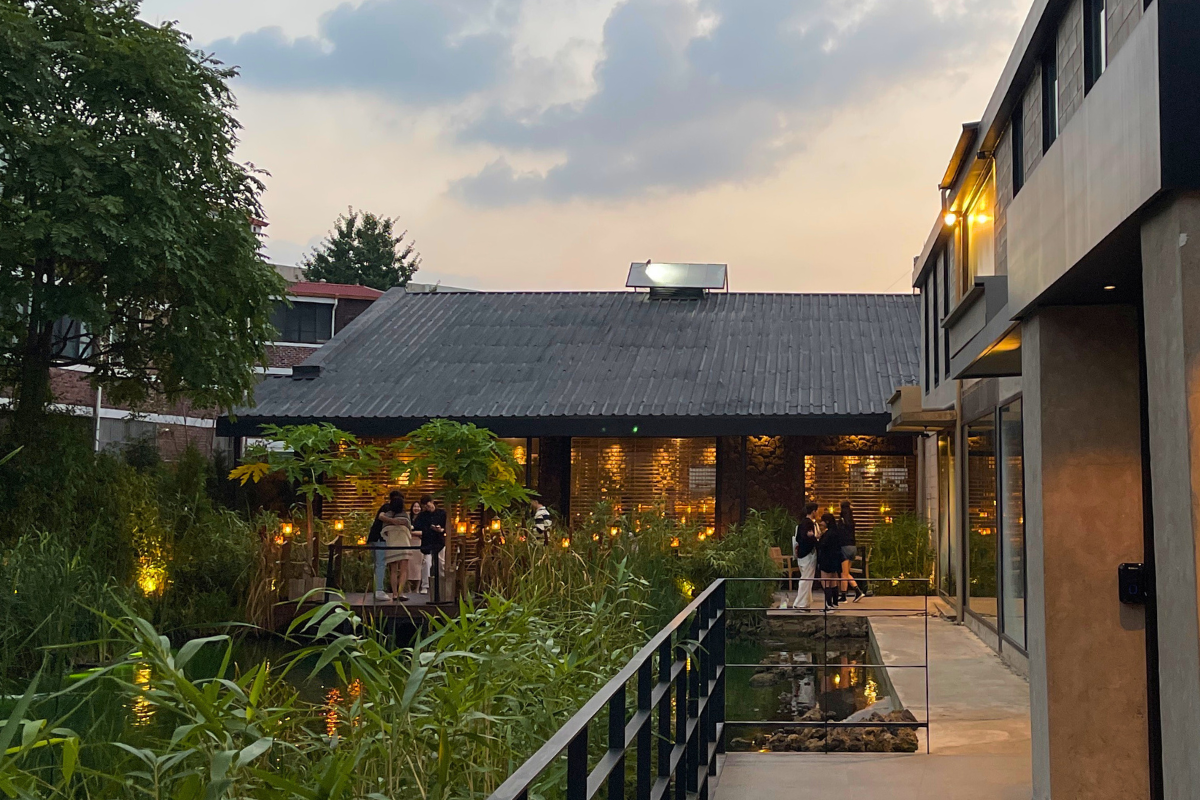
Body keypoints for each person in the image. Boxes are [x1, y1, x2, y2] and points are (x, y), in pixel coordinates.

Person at [378, 491, 412, 602]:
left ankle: (394, 594)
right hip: (404, 544)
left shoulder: (387, 516)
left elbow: (384, 532)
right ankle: (401, 593)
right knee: (403, 570)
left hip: (391, 545)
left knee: (393, 570)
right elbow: (409, 529)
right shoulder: (405, 516)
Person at [414, 495, 446, 598]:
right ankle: (425, 586)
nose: (427, 508)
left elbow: (446, 527)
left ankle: (441, 584)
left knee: (441, 563)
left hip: (439, 541)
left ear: (432, 502)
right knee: (426, 563)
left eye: (428, 506)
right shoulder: (422, 515)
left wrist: (441, 529)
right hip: (427, 541)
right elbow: (416, 526)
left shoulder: (442, 513)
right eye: (425, 507)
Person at [791, 502, 820, 610]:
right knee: (806, 579)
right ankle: (800, 603)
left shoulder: (801, 523)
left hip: (802, 554)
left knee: (806, 578)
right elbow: (807, 538)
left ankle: (806, 602)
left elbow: (798, 538)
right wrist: (814, 538)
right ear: (813, 511)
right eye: (817, 511)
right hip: (808, 554)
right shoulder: (809, 524)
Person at [817, 512, 845, 609]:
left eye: (822, 521)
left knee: (825, 582)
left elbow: (821, 545)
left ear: (827, 521)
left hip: (826, 560)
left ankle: (828, 604)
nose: (821, 523)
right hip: (835, 560)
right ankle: (835, 603)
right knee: (833, 582)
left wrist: (819, 538)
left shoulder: (828, 534)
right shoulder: (837, 532)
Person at [839, 500, 865, 602]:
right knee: (847, 572)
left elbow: (839, 534)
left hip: (844, 547)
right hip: (853, 547)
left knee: (843, 573)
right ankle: (857, 591)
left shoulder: (842, 521)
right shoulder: (851, 521)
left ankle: (844, 596)